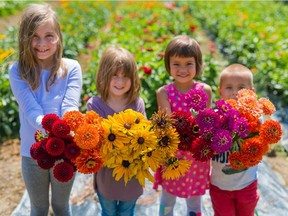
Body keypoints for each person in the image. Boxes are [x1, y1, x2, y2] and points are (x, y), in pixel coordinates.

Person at [8, 4, 82, 216]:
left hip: (65, 152)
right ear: (25, 38)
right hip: (32, 153)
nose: (42, 44)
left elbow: (70, 106)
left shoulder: (71, 68)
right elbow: (32, 111)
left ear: (58, 36)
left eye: (49, 35)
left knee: (61, 207)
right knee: (38, 208)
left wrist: (66, 130)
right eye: (35, 36)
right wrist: (56, 129)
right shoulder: (18, 71)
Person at [155, 35, 212, 216]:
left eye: (189, 63)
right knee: (168, 198)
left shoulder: (205, 91)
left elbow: (208, 123)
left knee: (194, 201)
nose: (183, 69)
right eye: (176, 64)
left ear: (198, 64)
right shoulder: (164, 92)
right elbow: (167, 125)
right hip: (174, 154)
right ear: (168, 65)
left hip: (196, 155)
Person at [86, 46, 144, 216]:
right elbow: (93, 139)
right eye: (115, 76)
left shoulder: (136, 104)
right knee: (108, 210)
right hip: (107, 173)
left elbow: (144, 135)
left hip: (132, 172)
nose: (120, 82)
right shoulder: (95, 105)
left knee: (127, 211)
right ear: (104, 76)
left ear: (133, 78)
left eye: (126, 77)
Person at [210, 63, 259, 216]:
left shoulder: (255, 118)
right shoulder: (214, 117)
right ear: (220, 92)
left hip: (247, 184)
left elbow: (262, 142)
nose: (235, 93)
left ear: (251, 92)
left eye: (241, 88)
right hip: (219, 186)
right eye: (229, 87)